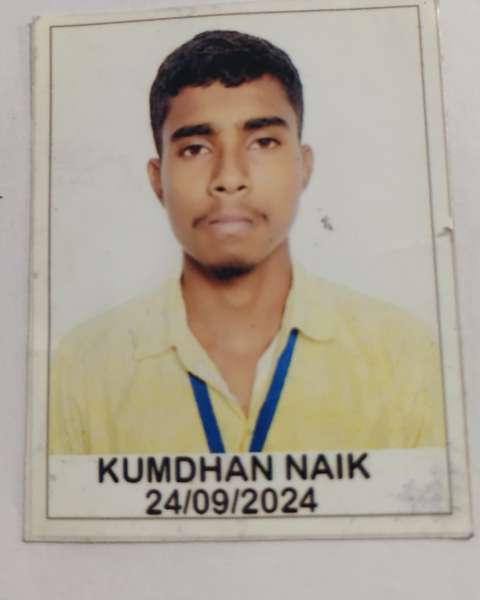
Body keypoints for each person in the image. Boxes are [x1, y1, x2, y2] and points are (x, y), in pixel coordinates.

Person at [49, 30, 446, 455]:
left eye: (262, 142)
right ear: (157, 179)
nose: (229, 178)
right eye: (195, 149)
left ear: (303, 166)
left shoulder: (402, 355)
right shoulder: (81, 370)